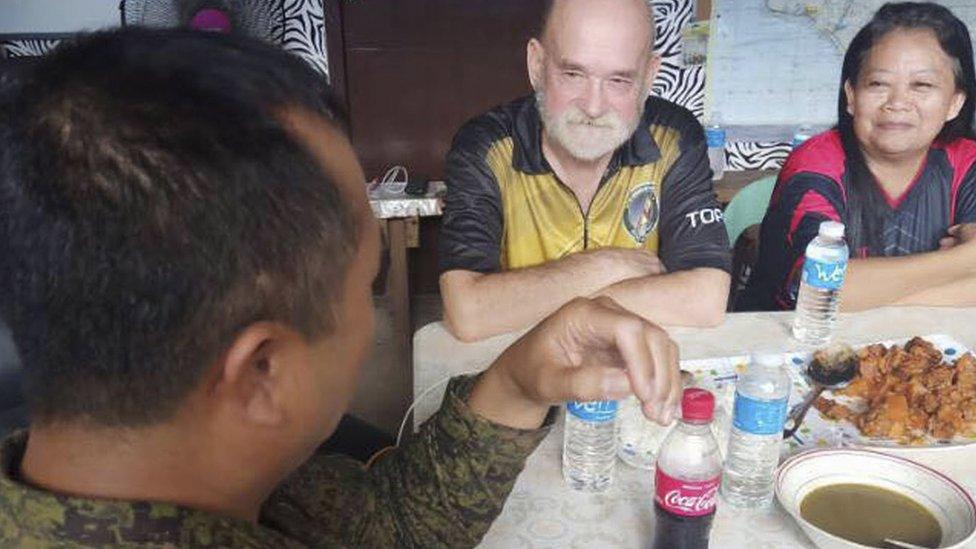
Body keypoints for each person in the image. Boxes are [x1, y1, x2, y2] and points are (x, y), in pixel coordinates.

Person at [0, 29, 681, 546]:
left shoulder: (196, 466)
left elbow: (387, 527)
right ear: (263, 373)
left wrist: (519, 380)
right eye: (365, 285)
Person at [438, 0, 731, 342]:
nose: (593, 107)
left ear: (649, 76)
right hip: (519, 368)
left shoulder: (674, 137)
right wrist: (609, 267)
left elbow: (707, 298)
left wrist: (523, 303)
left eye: (619, 80)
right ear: (537, 64)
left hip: (632, 371)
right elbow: (468, 314)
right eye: (573, 74)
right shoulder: (485, 147)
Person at [742, 2, 976, 311]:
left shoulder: (966, 160)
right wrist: (963, 260)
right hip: (792, 349)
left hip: (926, 350)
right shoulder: (817, 162)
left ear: (955, 103)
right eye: (878, 84)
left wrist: (871, 294)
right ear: (851, 96)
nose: (897, 102)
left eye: (922, 85)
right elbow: (821, 292)